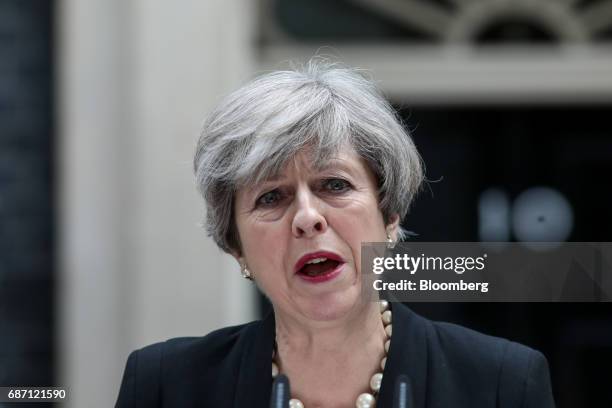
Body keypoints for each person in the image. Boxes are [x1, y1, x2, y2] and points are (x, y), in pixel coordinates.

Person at [115, 59, 555, 407]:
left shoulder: (502, 382)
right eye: (271, 198)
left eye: (334, 185)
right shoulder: (164, 386)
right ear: (236, 246)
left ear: (390, 216)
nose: (308, 217)